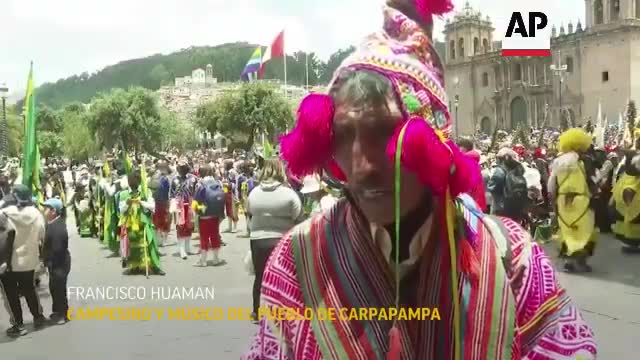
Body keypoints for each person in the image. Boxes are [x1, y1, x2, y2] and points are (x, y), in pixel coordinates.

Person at [244, 1, 596, 358]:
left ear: (434, 139)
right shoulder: (294, 261)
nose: (361, 165)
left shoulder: (514, 258)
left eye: (383, 132)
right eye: (343, 136)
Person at [246, 157, 302, 320]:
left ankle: (256, 310)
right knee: (284, 277)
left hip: (258, 240)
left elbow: (249, 212)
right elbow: (298, 217)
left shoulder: (254, 193)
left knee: (259, 275)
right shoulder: (289, 194)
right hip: (282, 240)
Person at [548, 128, 598, 272]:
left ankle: (568, 261)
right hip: (581, 201)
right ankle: (581, 262)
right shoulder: (585, 161)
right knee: (585, 231)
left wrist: (554, 202)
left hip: (563, 201)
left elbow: (551, 185)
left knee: (567, 230)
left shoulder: (557, 162)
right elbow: (594, 180)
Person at [0, 184, 46, 337]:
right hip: (29, 260)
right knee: (30, 290)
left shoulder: (4, 213)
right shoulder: (36, 214)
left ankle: (19, 325)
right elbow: (41, 235)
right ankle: (38, 317)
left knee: (12, 295)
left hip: (9, 263)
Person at [119, 168, 165, 276]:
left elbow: (152, 207)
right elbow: (121, 210)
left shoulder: (145, 191)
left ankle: (155, 266)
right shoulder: (124, 194)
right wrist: (127, 204)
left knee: (150, 243)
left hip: (144, 222)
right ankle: (135, 266)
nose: (133, 187)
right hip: (131, 224)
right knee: (133, 245)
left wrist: (141, 202)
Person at [41, 198, 71, 325]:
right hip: (56, 262)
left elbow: (57, 249)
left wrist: (48, 261)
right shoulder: (53, 223)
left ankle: (64, 314)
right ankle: (57, 310)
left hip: (59, 263)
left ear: (53, 211)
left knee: (59, 288)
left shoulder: (57, 227)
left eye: (46, 208)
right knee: (54, 287)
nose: (44, 210)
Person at [193, 164, 225, 266]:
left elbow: (195, 201)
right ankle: (216, 259)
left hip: (204, 214)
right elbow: (224, 194)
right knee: (215, 236)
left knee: (204, 237)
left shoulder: (200, 184)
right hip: (216, 214)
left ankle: (203, 260)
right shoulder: (218, 182)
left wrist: (196, 212)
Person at [488, 147, 528, 222]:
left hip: (501, 208)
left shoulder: (499, 171)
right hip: (516, 209)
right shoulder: (519, 169)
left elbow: (492, 188)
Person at [170, 159, 198, 259]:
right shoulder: (174, 180)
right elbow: (171, 194)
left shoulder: (193, 178)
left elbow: (196, 191)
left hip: (190, 205)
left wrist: (196, 205)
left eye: (184, 167)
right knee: (180, 227)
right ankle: (181, 250)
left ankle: (188, 247)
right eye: (180, 168)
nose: (182, 169)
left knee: (190, 226)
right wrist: (173, 207)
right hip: (179, 206)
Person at [151, 160, 172, 247]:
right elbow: (169, 191)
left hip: (156, 202)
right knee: (165, 221)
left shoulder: (153, 177)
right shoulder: (166, 178)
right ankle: (163, 240)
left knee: (157, 221)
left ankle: (158, 239)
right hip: (163, 201)